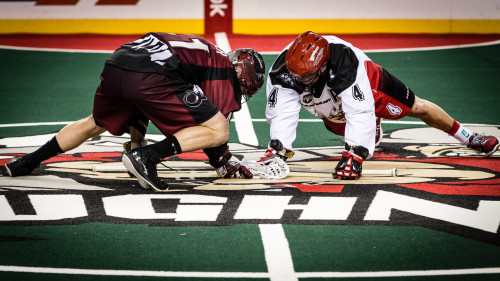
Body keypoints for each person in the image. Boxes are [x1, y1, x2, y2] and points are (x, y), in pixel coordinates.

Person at [5, 32, 265, 191]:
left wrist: (136, 134)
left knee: (94, 123)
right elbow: (215, 128)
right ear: (246, 75)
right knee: (218, 129)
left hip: (119, 62)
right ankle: (147, 157)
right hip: (152, 74)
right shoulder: (224, 70)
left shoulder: (205, 50)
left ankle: (27, 161)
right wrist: (221, 162)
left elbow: (144, 100)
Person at [261, 31, 499, 180]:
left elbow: (360, 109)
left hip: (368, 82)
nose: (297, 81)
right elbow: (282, 112)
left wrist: (354, 154)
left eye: (305, 76)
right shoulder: (284, 72)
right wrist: (278, 148)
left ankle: (468, 137)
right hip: (327, 99)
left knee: (418, 108)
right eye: (296, 75)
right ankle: (369, 129)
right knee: (336, 126)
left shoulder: (347, 65)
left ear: (323, 66)